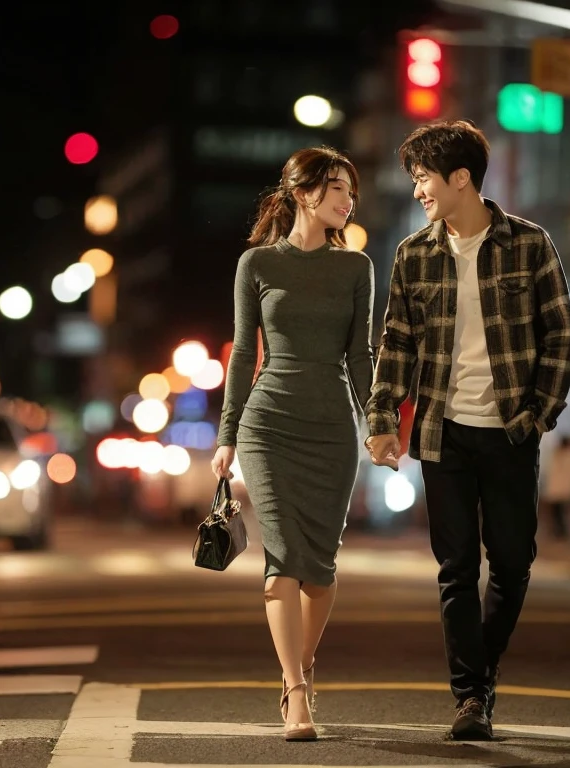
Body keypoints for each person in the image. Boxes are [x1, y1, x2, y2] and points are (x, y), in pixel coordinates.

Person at [364, 120, 570, 740]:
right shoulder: (414, 254)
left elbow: (560, 335)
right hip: (443, 433)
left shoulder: (531, 245)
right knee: (455, 568)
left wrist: (537, 415)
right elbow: (396, 344)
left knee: (512, 564)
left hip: (511, 431)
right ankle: (469, 696)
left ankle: (481, 674)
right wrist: (382, 419)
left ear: (462, 179)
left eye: (424, 180)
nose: (417, 193)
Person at [211, 146, 373, 742]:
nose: (346, 198)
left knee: (321, 573)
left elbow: (360, 356)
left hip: (332, 429)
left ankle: (301, 665)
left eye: (349, 189)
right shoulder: (257, 264)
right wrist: (227, 436)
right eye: (335, 187)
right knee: (282, 565)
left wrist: (378, 421)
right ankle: (297, 692)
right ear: (302, 193)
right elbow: (242, 354)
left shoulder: (356, 268)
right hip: (268, 425)